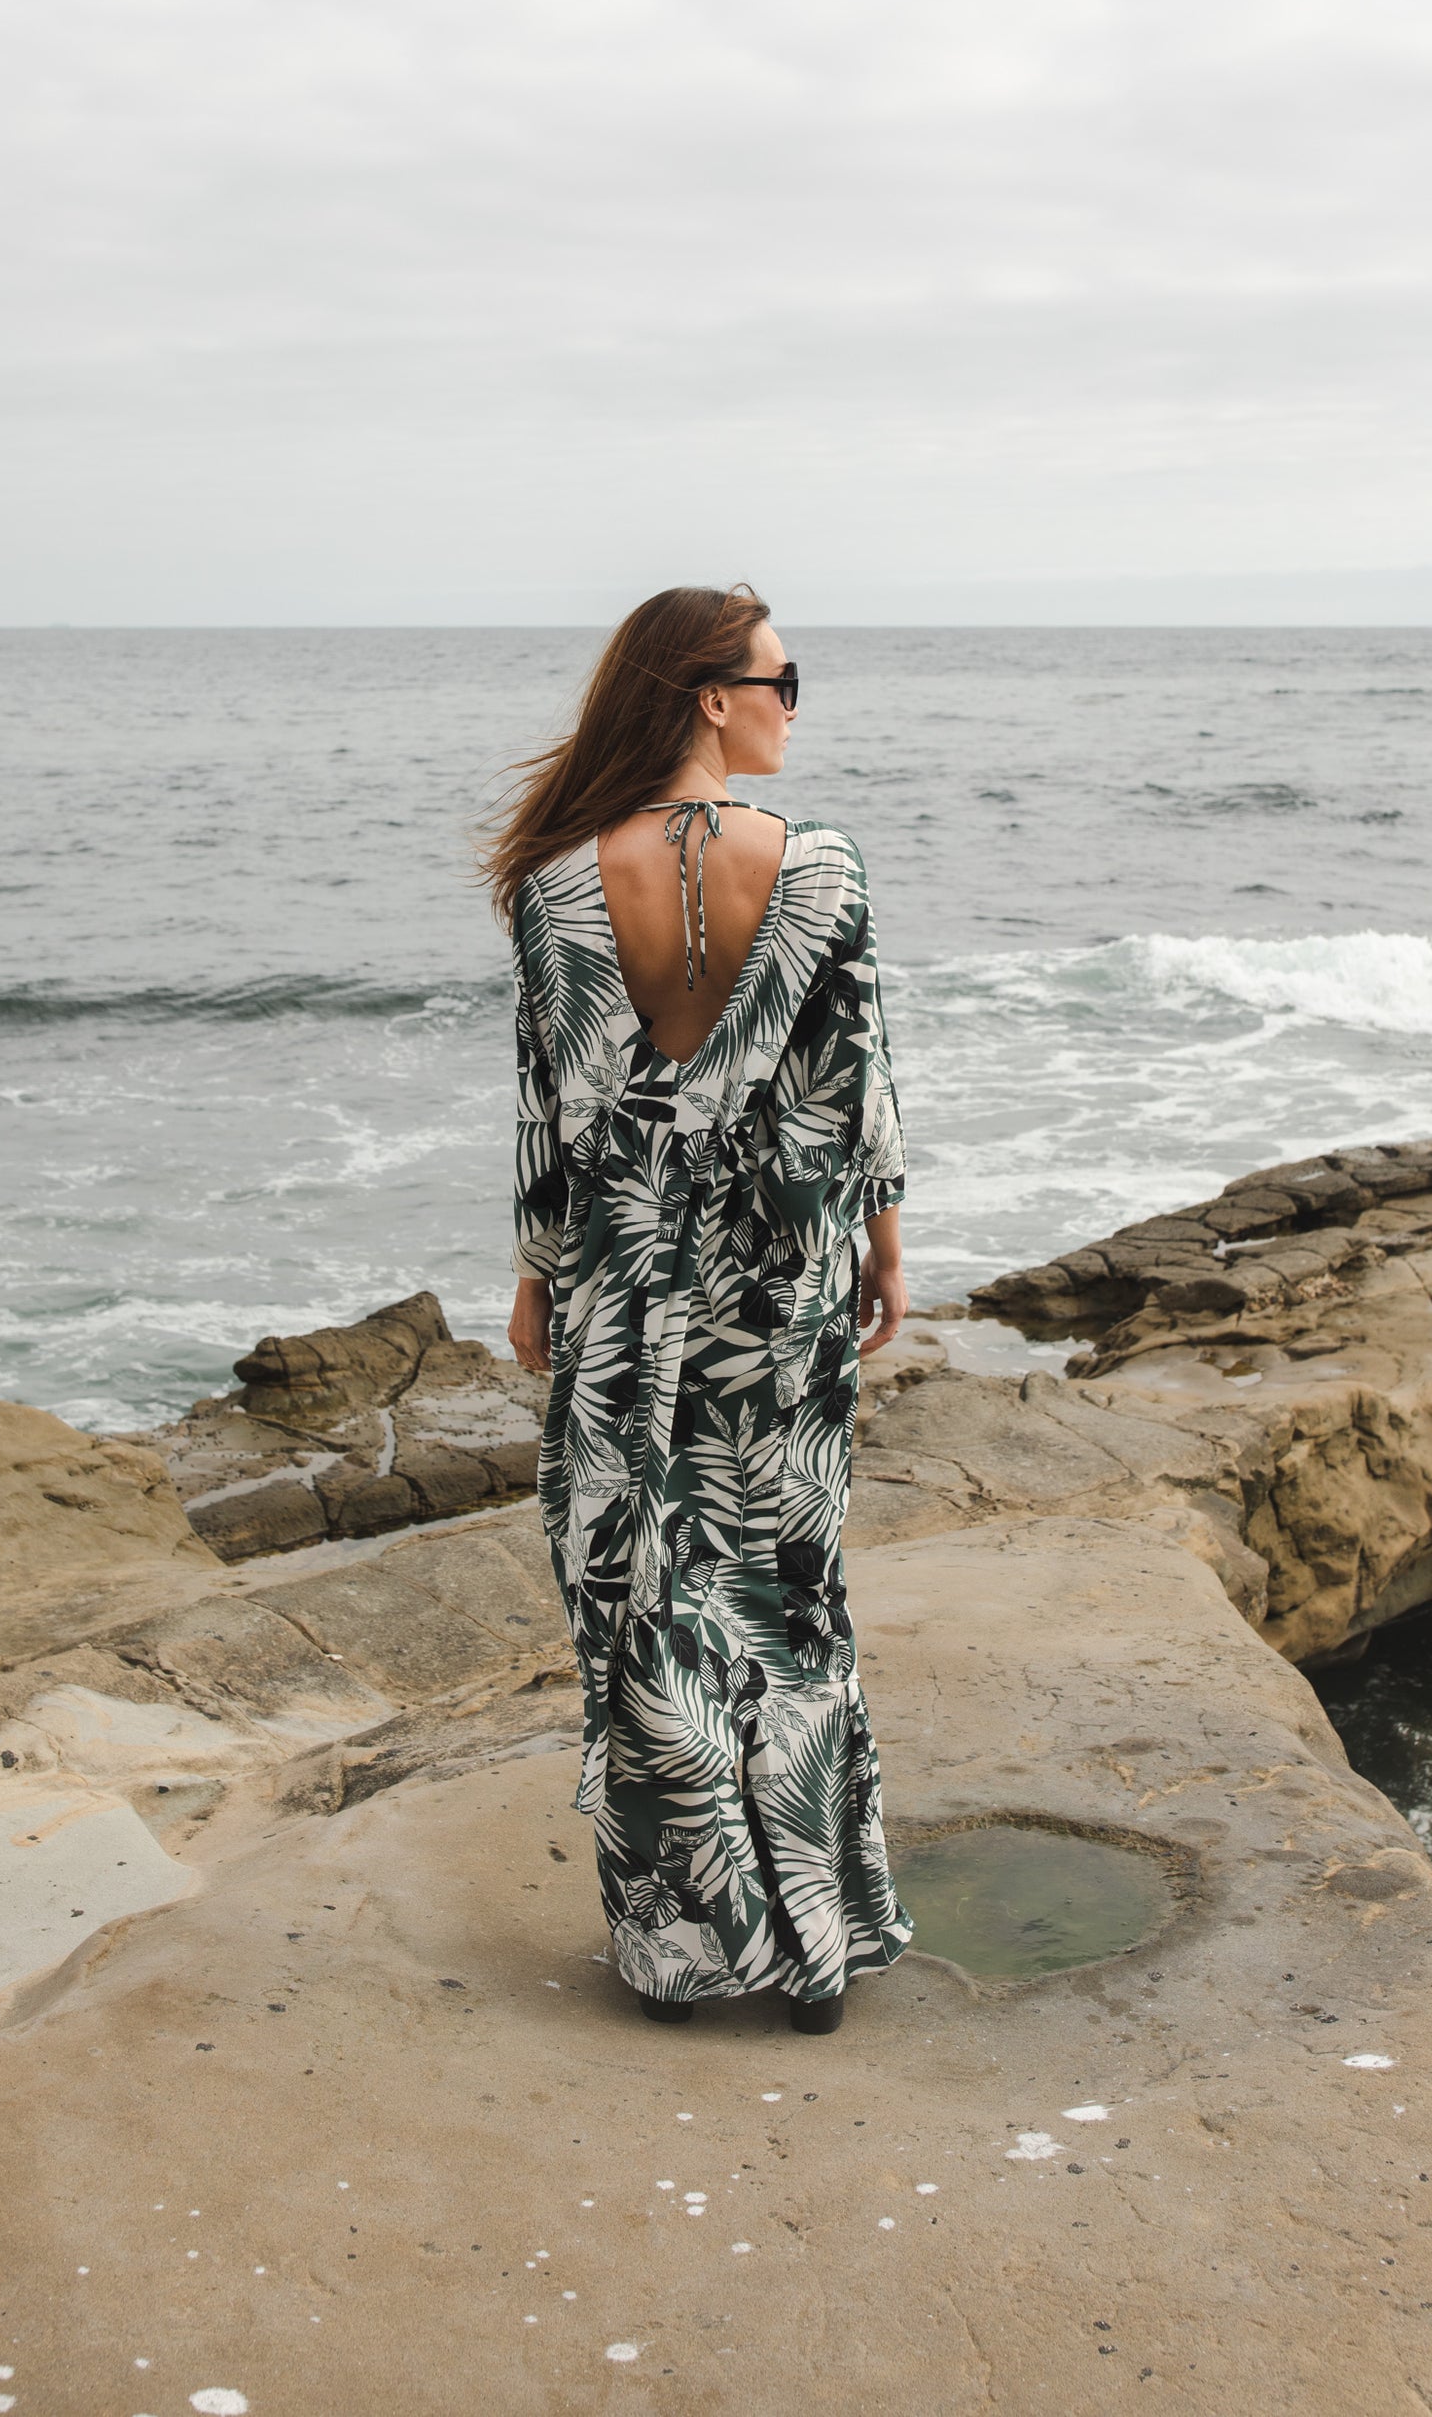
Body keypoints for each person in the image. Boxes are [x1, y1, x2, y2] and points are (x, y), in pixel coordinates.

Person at [484, 583, 913, 2032]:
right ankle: (810, 1952)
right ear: (709, 696)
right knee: (783, 1596)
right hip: (780, 1281)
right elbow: (849, 1085)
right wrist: (883, 1239)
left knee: (642, 1603)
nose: (793, 707)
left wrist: (540, 1271)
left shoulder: (552, 881)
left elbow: (550, 1106)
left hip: (620, 1283)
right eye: (783, 682)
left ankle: (678, 1948)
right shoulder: (822, 867)